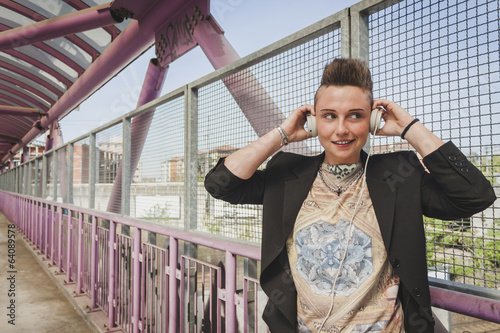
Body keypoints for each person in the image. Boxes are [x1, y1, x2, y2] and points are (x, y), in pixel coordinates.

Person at [204, 58, 496, 332]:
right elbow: (221, 184)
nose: (341, 129)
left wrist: (409, 128)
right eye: (329, 116)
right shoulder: (286, 175)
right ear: (315, 121)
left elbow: (474, 196)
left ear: (371, 121)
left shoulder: (399, 175)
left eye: (355, 116)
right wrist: (282, 133)